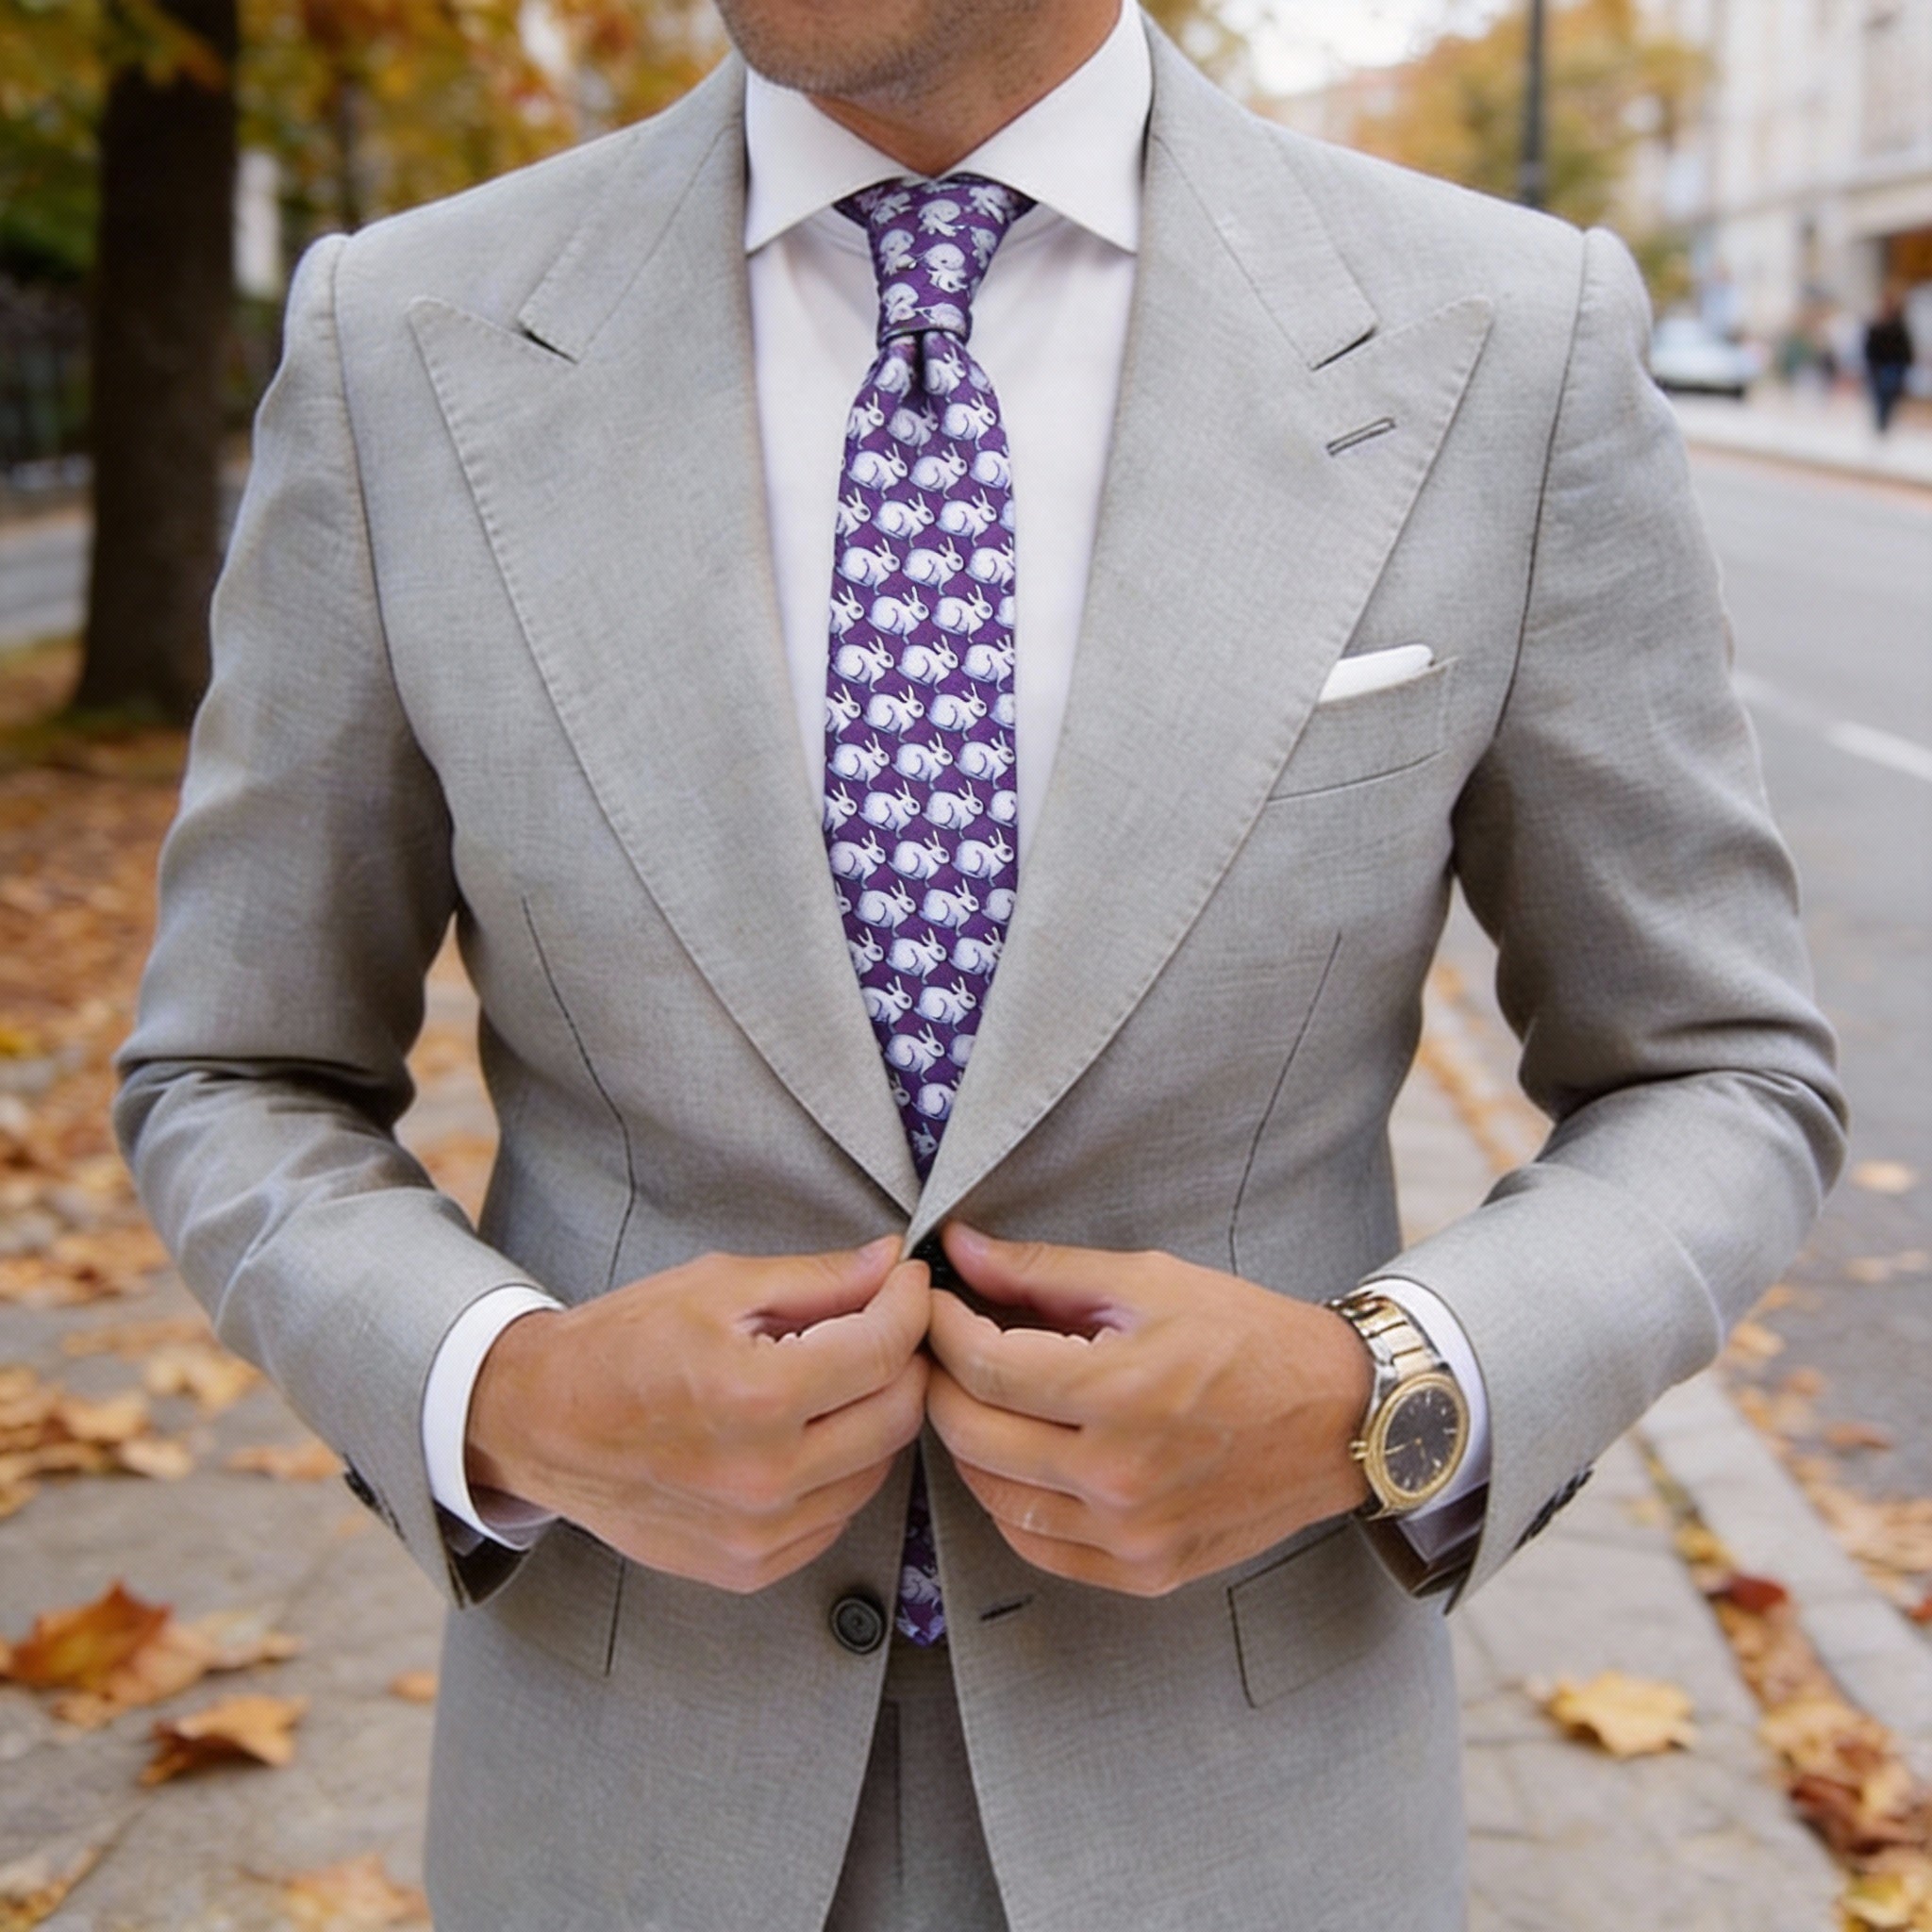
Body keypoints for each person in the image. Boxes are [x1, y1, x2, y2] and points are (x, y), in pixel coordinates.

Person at [115, 2, 1845, 1927]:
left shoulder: (1505, 339)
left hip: (1243, 1806)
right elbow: (234, 1066)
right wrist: (501, 1392)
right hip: (628, 1806)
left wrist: (1385, 1395)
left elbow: (1716, 1069)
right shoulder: (404, 341)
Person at [1865, 285, 1916, 434]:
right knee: (1881, 394)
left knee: (1888, 394)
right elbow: (1870, 345)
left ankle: (1883, 423)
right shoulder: (1878, 322)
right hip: (1880, 365)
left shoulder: (1898, 323)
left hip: (1893, 365)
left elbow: (1905, 345)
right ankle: (1881, 424)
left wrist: (1907, 361)